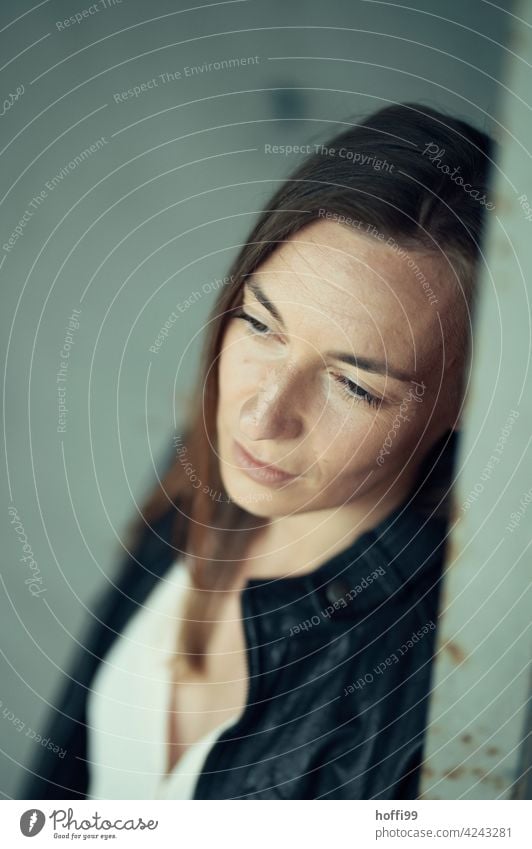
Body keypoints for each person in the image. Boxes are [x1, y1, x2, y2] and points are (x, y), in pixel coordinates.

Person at [22, 101, 494, 800]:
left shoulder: (452, 666)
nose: (262, 415)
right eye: (259, 323)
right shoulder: (196, 471)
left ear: (465, 401)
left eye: (355, 385)